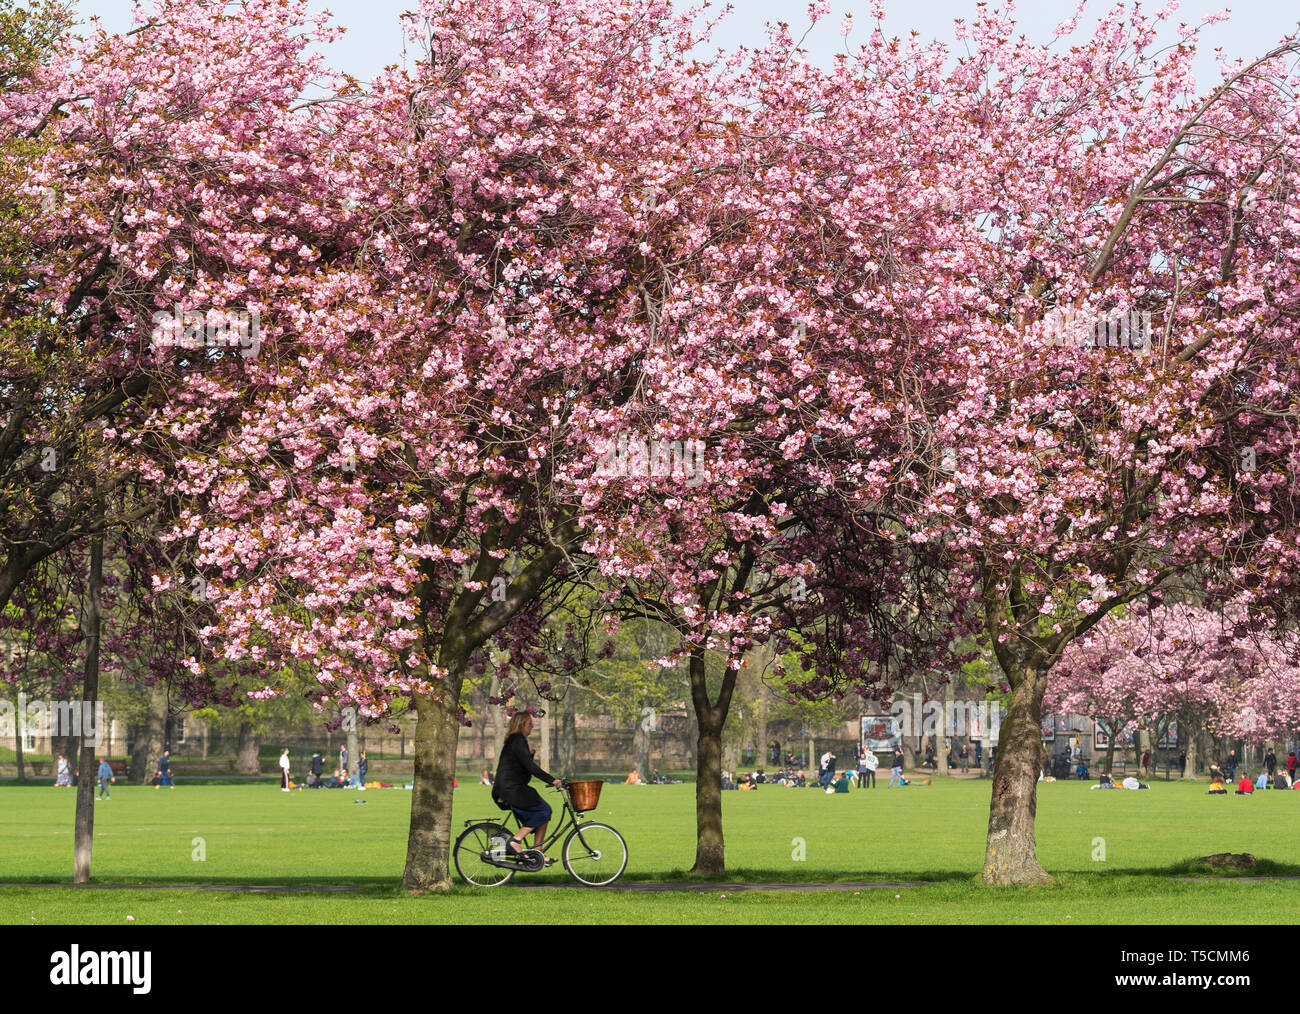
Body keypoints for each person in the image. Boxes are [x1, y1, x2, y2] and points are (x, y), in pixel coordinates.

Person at [493, 712, 563, 863]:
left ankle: (537, 852)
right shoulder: (517, 739)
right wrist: (552, 780)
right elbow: (530, 768)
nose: (532, 726)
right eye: (529, 724)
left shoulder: (516, 741)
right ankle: (515, 841)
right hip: (511, 789)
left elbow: (522, 768)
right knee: (544, 810)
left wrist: (529, 754)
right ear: (521, 725)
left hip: (510, 788)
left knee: (544, 812)